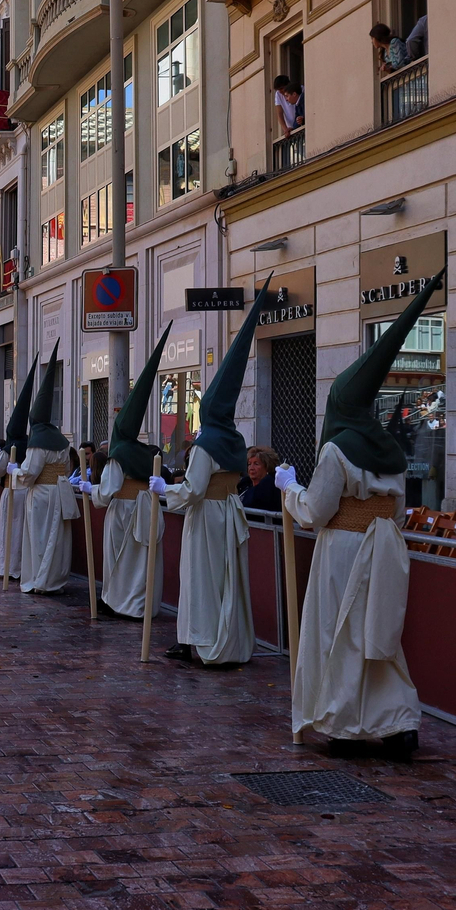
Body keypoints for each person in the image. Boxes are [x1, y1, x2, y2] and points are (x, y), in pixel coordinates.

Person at [276, 268, 444, 762]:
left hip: (345, 549)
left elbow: (315, 512)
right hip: (386, 545)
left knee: (342, 634)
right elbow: (398, 508)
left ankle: (345, 726)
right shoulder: (390, 448)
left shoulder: (337, 450)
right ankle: (397, 723)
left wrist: (289, 489)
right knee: (381, 635)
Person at [149, 283, 273, 666]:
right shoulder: (235, 439)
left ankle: (200, 641)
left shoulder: (206, 444)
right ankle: (219, 639)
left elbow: (194, 488)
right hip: (229, 514)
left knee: (200, 580)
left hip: (205, 518)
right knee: (225, 580)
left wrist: (165, 489)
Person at [86, 324, 172, 618]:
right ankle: (140, 605)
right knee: (141, 562)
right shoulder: (145, 451)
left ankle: (119, 603)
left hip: (123, 511)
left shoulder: (119, 453)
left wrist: (91, 490)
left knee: (120, 560)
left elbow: (109, 489)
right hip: (146, 508)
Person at [18, 345, 81, 594]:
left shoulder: (37, 442)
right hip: (59, 492)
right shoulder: (62, 442)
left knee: (40, 538)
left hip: (42, 494)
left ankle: (40, 579)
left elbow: (30, 472)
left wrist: (15, 471)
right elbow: (66, 467)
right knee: (58, 540)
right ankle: (53, 579)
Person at [0, 361, 36, 580]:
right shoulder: (31, 446)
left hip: (12, 491)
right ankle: (21, 568)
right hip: (28, 493)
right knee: (23, 532)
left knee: (9, 531)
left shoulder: (8, 449)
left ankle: (9, 567)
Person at [238, 445, 284, 511]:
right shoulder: (245, 484)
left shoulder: (269, 485)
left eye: (256, 464)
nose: (251, 468)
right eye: (249, 464)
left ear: (267, 466)